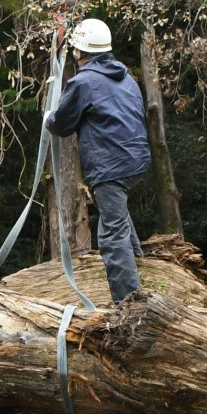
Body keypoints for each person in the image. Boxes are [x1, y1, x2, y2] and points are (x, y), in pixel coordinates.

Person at [45, 18, 154, 304]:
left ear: (80, 52)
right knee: (116, 212)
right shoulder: (126, 77)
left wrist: (49, 118)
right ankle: (140, 264)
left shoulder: (83, 82)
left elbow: (62, 124)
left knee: (111, 236)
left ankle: (129, 306)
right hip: (137, 161)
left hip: (111, 167)